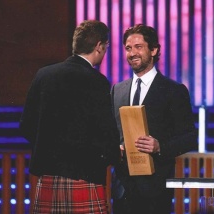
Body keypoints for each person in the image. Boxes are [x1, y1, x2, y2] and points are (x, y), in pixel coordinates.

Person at [19, 20, 121, 214]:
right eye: (105, 47)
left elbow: (26, 126)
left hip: (48, 177)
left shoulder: (44, 75)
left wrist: (50, 149)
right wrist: (113, 154)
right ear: (99, 47)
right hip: (85, 176)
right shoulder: (97, 82)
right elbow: (105, 134)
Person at [111, 24, 198, 214]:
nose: (132, 53)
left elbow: (190, 137)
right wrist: (113, 147)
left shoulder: (174, 91)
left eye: (138, 47)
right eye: (128, 48)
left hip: (155, 191)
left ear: (154, 50)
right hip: (121, 189)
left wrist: (160, 147)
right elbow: (109, 132)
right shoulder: (117, 90)